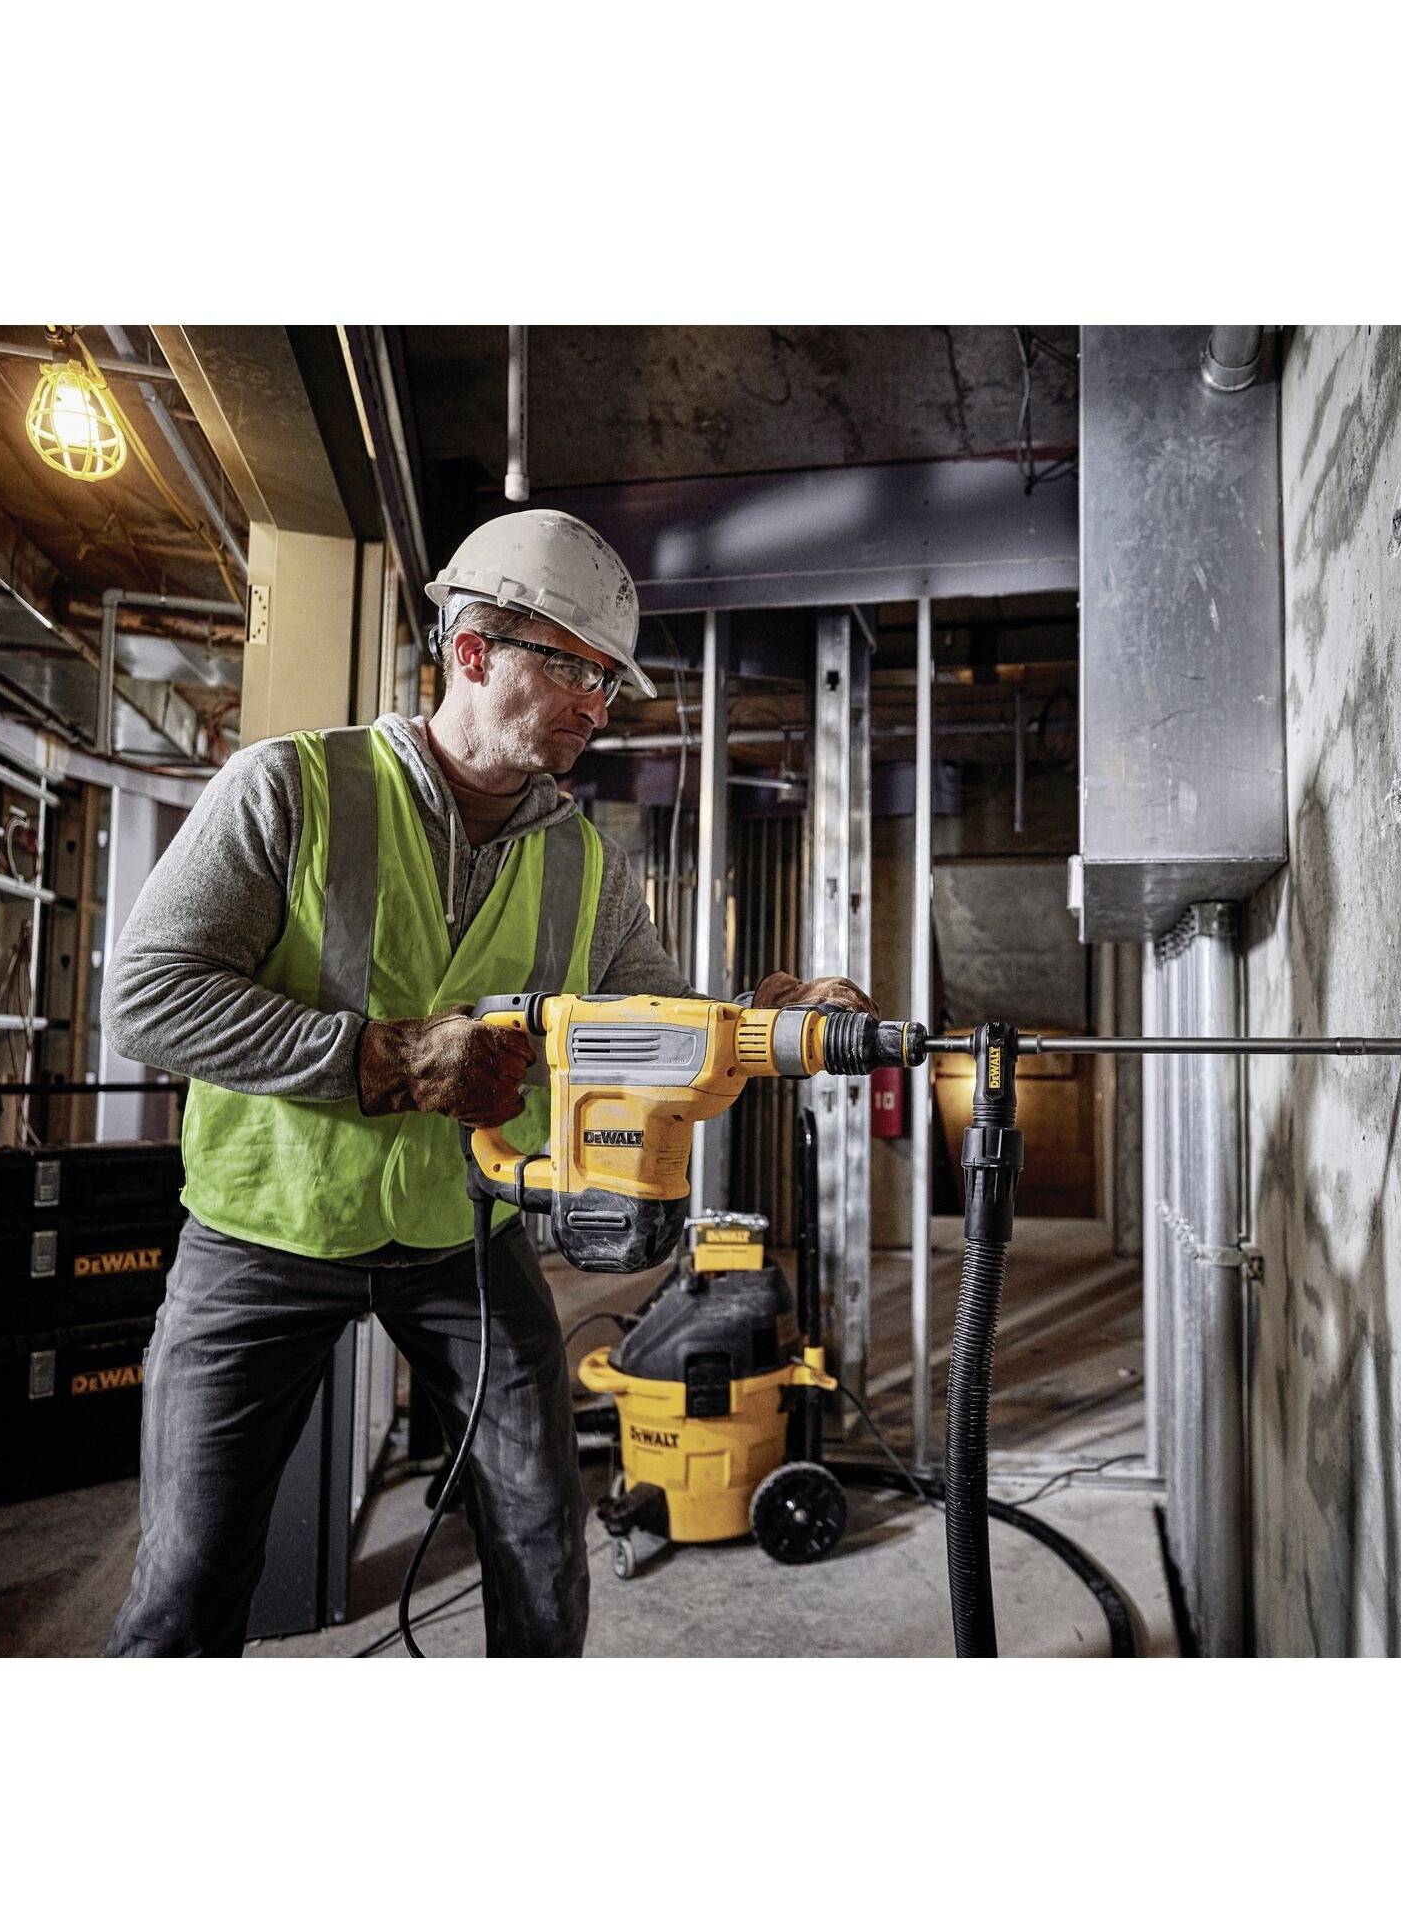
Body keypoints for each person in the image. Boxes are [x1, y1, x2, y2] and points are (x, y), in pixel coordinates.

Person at [103, 510, 872, 1656]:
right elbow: (147, 996)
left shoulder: (584, 860)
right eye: (576, 670)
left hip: (463, 1231)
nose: (599, 705)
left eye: (609, 681)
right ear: (472, 652)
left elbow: (639, 1024)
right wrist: (387, 1057)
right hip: (262, 1234)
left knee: (541, 1539)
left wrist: (757, 1022)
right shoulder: (289, 790)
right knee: (192, 1568)